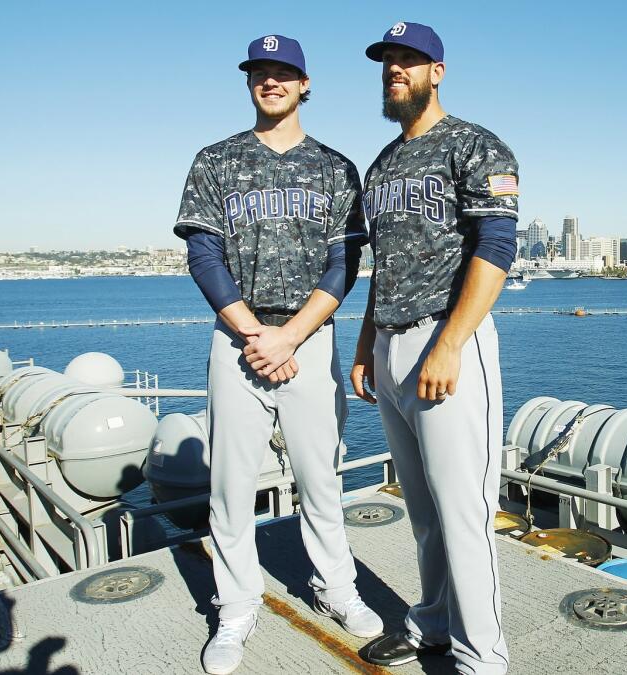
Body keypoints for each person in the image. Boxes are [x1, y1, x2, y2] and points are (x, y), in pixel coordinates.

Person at [173, 34, 383, 675]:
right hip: (238, 339)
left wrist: (289, 336)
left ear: (305, 84)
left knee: (321, 479)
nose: (272, 81)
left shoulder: (335, 167)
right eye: (260, 72)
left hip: (308, 341)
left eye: (283, 72)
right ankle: (235, 608)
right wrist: (253, 335)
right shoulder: (216, 161)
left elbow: (344, 262)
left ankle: (336, 589)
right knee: (231, 487)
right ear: (249, 84)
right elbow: (203, 256)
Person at [350, 21, 518, 675]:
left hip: (446, 343)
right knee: (423, 511)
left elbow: (495, 250)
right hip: (391, 349)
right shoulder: (382, 164)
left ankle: (482, 661)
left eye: (408, 60)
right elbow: (382, 267)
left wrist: (450, 344)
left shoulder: (477, 145)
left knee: (464, 513)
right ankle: (434, 626)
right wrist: (365, 346)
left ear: (437, 71)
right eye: (388, 60)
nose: (395, 69)